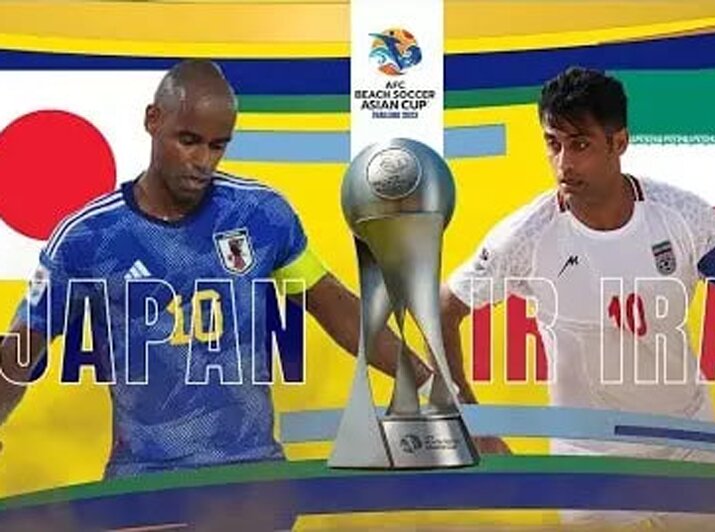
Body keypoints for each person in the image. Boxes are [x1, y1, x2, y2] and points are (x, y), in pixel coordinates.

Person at [0, 60, 434, 478]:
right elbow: (22, 348)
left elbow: (336, 308)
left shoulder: (261, 215)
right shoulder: (87, 238)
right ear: (153, 120)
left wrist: (428, 385)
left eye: (217, 145)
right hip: (143, 482)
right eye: (188, 141)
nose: (203, 161)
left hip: (251, 478)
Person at [441, 66, 715, 528]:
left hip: (689, 444)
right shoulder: (525, 237)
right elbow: (443, 308)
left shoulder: (680, 216)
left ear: (619, 142)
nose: (563, 164)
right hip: (587, 461)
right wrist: (470, 418)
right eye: (553, 143)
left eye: (580, 144)